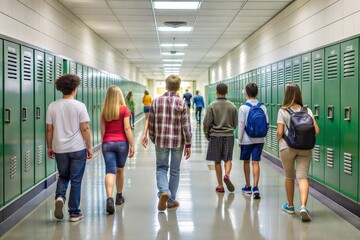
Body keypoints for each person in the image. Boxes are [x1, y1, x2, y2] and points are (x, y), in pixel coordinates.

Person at [46, 74, 92, 222]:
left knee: (63, 176)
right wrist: (89, 147)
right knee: (76, 180)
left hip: (60, 148)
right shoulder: (80, 106)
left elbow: (49, 129)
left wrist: (49, 146)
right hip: (78, 148)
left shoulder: (53, 106)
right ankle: (74, 212)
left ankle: (60, 197)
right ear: (74, 89)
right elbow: (85, 129)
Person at [148, 75, 192, 211]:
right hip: (178, 142)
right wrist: (188, 144)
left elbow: (151, 124)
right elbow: (186, 126)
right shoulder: (182, 104)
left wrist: (153, 138)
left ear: (166, 86)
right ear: (179, 88)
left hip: (161, 140)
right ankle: (171, 200)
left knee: (161, 168)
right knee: (175, 170)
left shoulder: (156, 102)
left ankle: (164, 191)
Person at [277, 83, 319, 221]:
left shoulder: (283, 111)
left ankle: (290, 206)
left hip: (287, 148)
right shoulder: (307, 110)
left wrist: (281, 141)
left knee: (289, 177)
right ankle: (303, 206)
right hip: (305, 148)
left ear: (286, 94)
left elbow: (279, 132)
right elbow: (316, 131)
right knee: (302, 177)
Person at [101, 86, 134, 214]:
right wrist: (131, 145)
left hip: (107, 143)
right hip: (121, 144)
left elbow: (103, 131)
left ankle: (109, 198)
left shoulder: (104, 111)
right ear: (120, 96)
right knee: (120, 170)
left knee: (110, 171)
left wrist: (106, 142)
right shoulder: (124, 110)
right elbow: (127, 128)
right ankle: (119, 197)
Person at [203, 83, 238, 193]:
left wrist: (207, 134)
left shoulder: (212, 106)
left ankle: (220, 186)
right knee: (228, 159)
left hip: (215, 136)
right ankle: (226, 175)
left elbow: (207, 123)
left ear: (216, 92)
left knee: (217, 161)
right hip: (228, 136)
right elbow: (235, 123)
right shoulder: (232, 106)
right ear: (227, 92)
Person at [238, 83, 268, 199]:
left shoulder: (243, 108)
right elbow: (266, 123)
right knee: (256, 162)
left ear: (246, 93)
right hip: (259, 139)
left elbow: (241, 125)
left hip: (246, 139)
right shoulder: (263, 107)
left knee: (246, 162)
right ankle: (256, 187)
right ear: (257, 93)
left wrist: (239, 140)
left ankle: (248, 186)